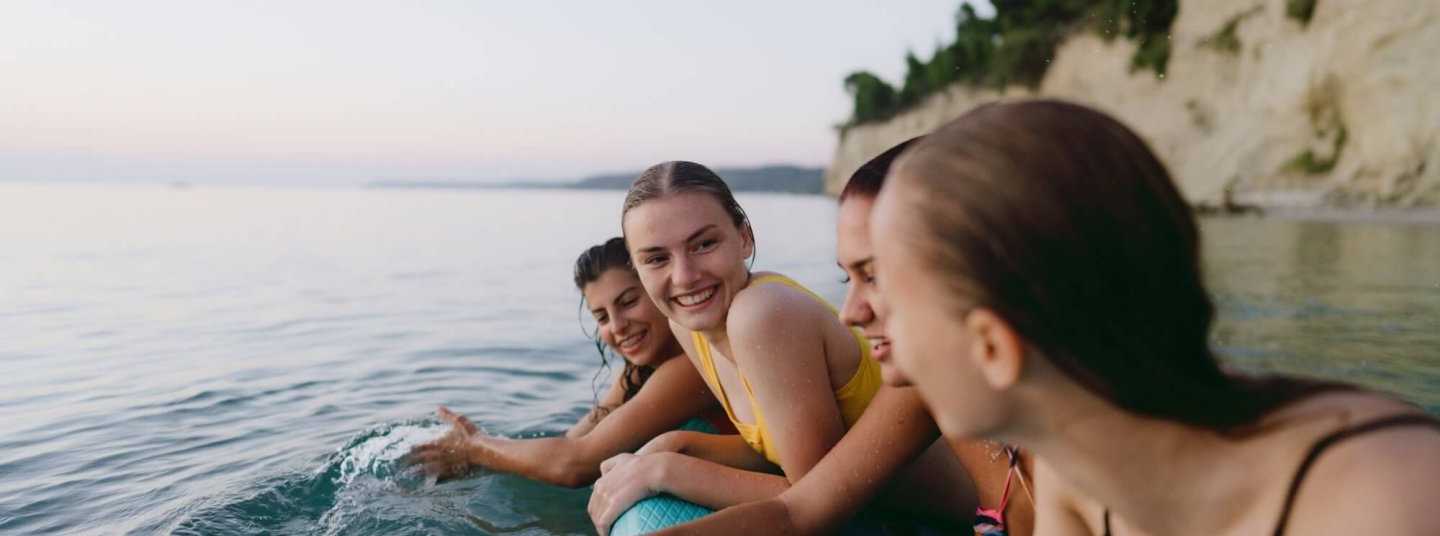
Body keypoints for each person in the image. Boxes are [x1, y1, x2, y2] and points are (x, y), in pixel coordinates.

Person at [869, 99, 1440, 535]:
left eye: (894, 298)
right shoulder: (1080, 473)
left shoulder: (1390, 500)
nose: (868, 319)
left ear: (993, 346)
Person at [647, 141, 1035, 536]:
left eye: (874, 277)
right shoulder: (921, 386)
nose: (849, 312)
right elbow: (798, 512)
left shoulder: (1076, 451)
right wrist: (673, 452)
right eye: (848, 279)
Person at [409, 238, 728, 488]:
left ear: (658, 289)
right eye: (601, 316)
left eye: (628, 302)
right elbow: (571, 442)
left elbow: (576, 465)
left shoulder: (692, 366)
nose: (617, 326)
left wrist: (476, 449)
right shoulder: (637, 372)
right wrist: (484, 450)